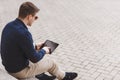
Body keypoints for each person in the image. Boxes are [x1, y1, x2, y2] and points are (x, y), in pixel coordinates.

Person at [0, 1, 77, 80]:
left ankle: (41, 76)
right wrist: (44, 50)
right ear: (29, 17)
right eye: (35, 17)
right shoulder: (24, 33)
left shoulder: (9, 26)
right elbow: (34, 58)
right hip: (19, 71)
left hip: (9, 66)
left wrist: (35, 46)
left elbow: (18, 46)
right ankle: (64, 77)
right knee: (51, 63)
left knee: (40, 56)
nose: (35, 20)